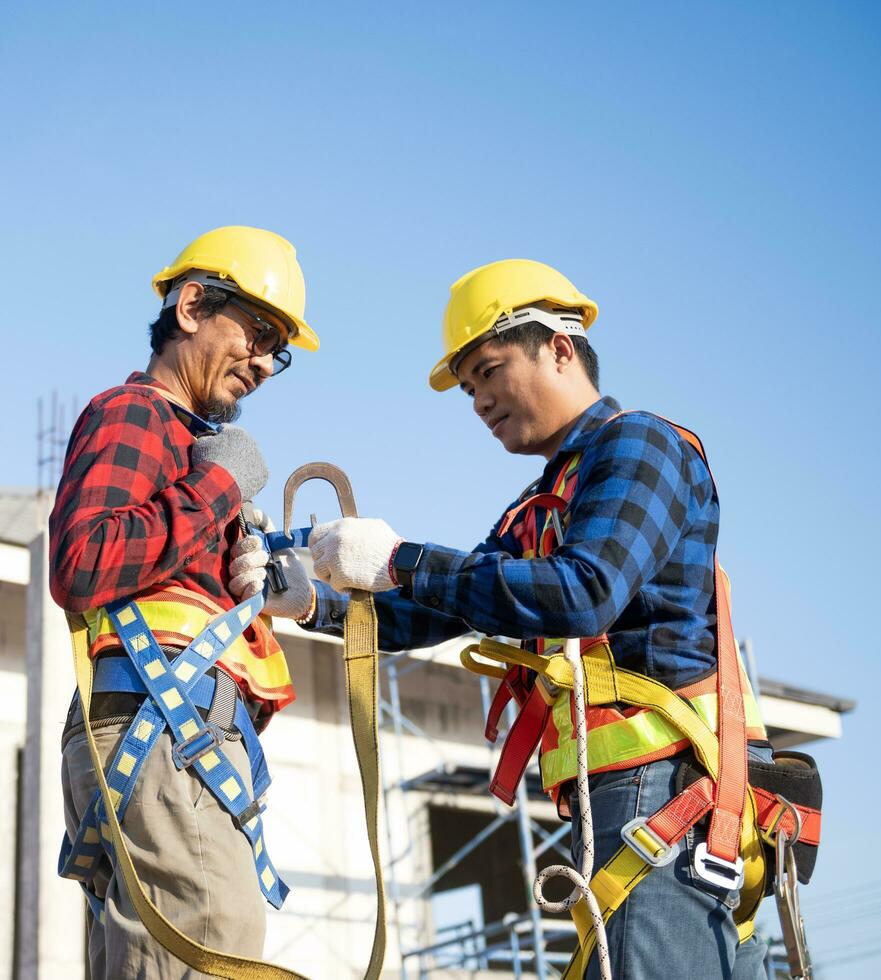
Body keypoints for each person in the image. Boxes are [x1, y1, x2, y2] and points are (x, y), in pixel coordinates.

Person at [286, 258, 775, 978]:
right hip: (622, 799)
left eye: (487, 369)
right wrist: (309, 602)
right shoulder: (542, 502)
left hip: (668, 791)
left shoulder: (639, 445)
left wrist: (400, 558)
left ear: (559, 347)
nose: (478, 399)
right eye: (467, 387)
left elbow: (584, 592)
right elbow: (433, 610)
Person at [50, 225, 320, 979]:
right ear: (193, 306)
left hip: (173, 732)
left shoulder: (185, 443)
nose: (266, 364)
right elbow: (83, 560)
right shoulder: (133, 415)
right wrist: (217, 487)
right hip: (162, 729)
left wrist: (252, 577)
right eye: (259, 333)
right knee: (207, 953)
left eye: (280, 351)